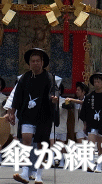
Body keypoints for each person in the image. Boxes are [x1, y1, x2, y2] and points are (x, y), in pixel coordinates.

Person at [7, 48, 58, 184]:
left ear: (42, 63)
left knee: (41, 145)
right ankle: (24, 171)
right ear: (29, 63)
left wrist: (54, 98)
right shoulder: (24, 77)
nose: (35, 63)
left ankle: (39, 175)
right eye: (32, 61)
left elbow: (54, 92)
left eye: (37, 61)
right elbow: (17, 96)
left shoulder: (49, 77)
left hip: (43, 114)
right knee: (26, 140)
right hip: (27, 114)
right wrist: (11, 112)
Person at [79, 73, 102, 173]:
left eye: (98, 81)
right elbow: (84, 111)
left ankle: (99, 165)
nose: (96, 83)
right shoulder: (89, 97)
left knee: (101, 146)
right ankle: (91, 163)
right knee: (91, 143)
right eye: (95, 81)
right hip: (91, 123)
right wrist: (85, 124)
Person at [50, 84, 68, 168]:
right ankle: (52, 160)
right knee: (52, 143)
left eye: (57, 90)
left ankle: (62, 161)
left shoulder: (65, 100)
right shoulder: (49, 100)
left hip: (62, 125)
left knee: (62, 145)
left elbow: (67, 107)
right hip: (53, 125)